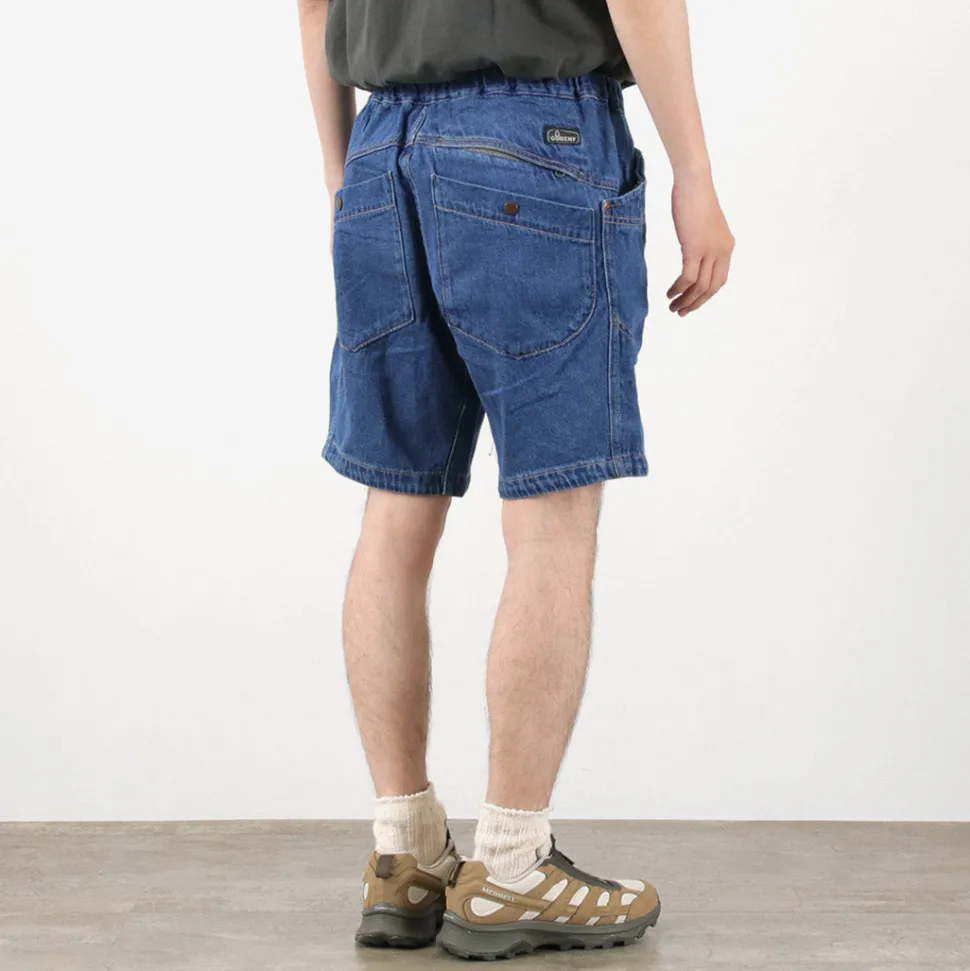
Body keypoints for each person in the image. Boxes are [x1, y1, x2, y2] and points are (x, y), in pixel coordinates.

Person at [298, 0, 734, 959]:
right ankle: (511, 863)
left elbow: (315, 4)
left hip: (379, 152)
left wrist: (342, 177)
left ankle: (404, 853)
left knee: (394, 512)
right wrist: (695, 174)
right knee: (550, 519)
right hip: (534, 140)